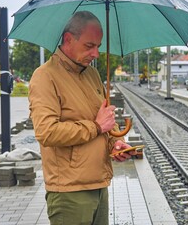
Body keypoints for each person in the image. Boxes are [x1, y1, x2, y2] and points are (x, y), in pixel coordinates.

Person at [29, 11, 136, 225]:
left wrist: (115, 144)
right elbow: (47, 132)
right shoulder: (44, 77)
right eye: (89, 46)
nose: (96, 53)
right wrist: (96, 126)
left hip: (99, 184)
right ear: (69, 39)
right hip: (70, 192)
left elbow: (104, 124)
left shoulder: (92, 74)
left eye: (98, 45)